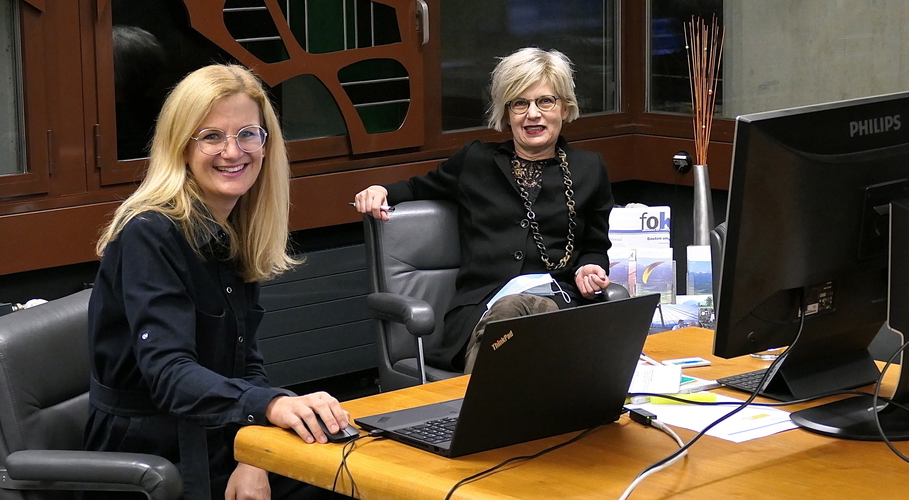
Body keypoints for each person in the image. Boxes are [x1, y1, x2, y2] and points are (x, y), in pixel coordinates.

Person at [85, 64, 350, 500]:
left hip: (220, 434)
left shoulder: (235, 224)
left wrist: (255, 453)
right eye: (211, 136)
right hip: (149, 459)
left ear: (266, 144)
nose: (233, 151)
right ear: (181, 148)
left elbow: (246, 364)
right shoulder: (149, 232)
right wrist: (271, 406)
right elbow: (170, 375)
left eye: (248, 134)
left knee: (349, 471)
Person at [354, 47, 615, 374]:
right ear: (506, 114)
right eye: (519, 103)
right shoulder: (475, 161)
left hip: (559, 303)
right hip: (481, 312)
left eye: (545, 101)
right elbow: (418, 187)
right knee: (512, 313)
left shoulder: (589, 169)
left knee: (536, 321)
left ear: (564, 108)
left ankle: (484, 399)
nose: (533, 114)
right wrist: (380, 190)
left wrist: (588, 267)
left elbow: (595, 246)